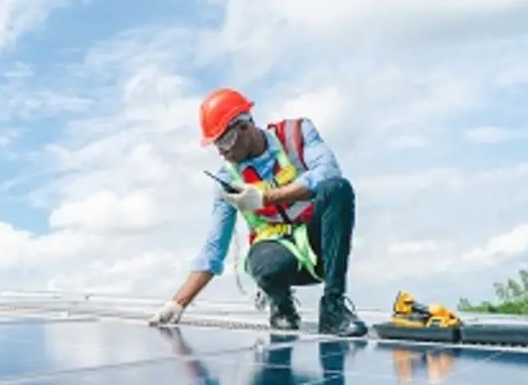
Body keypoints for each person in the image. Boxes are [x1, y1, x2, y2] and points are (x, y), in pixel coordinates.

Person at [148, 87, 368, 338]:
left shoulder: (297, 134)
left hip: (319, 250)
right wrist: (178, 303)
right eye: (216, 145)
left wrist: (265, 197)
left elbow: (329, 172)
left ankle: (333, 307)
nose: (222, 152)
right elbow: (213, 249)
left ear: (245, 126)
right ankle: (281, 303)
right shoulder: (226, 180)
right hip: (277, 259)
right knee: (267, 265)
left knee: (337, 189)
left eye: (225, 140)